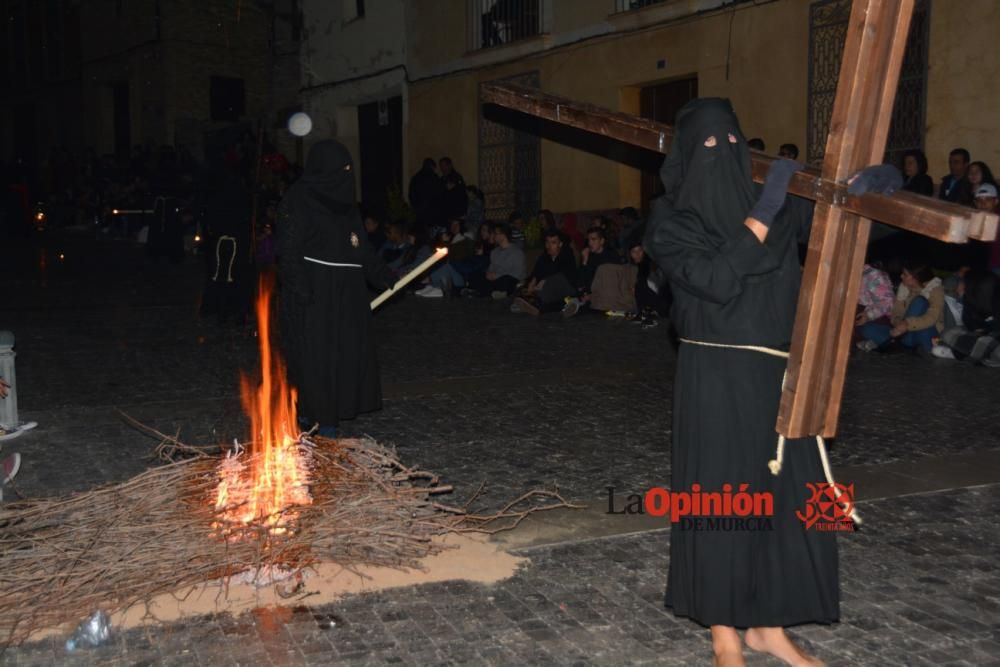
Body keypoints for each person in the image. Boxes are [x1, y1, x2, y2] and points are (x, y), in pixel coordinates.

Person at [644, 97, 900, 666]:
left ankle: (769, 627)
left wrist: (879, 187)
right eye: (709, 144)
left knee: (787, 503)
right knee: (723, 502)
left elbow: (849, 227)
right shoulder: (671, 220)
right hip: (714, 377)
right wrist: (763, 212)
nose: (724, 152)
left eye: (733, 142)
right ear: (688, 156)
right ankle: (723, 633)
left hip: (780, 375)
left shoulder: (782, 210)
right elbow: (712, 279)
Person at [276, 139, 395, 438]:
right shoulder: (298, 199)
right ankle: (315, 416)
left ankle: (337, 410)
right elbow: (288, 249)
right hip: (317, 293)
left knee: (345, 354)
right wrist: (301, 289)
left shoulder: (346, 205)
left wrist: (384, 274)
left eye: (348, 168)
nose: (346, 174)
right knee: (317, 357)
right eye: (339, 168)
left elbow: (361, 247)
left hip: (349, 295)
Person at [857, 262, 944, 353]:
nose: (901, 276)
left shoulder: (935, 289)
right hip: (903, 334)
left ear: (915, 277)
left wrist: (906, 324)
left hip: (926, 331)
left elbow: (932, 317)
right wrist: (898, 325)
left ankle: (895, 346)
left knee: (919, 302)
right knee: (867, 329)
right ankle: (900, 347)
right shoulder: (904, 287)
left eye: (905, 275)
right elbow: (896, 313)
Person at [511, 229, 577, 315]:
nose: (549, 246)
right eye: (547, 242)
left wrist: (544, 281)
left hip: (565, 289)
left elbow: (562, 274)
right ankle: (532, 304)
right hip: (544, 290)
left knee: (552, 283)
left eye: (553, 243)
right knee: (521, 285)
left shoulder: (567, 254)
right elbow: (536, 272)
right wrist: (532, 282)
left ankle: (534, 304)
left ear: (560, 244)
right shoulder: (544, 256)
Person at [468, 223, 525, 298]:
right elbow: (491, 268)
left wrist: (497, 276)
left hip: (506, 279)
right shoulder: (494, 252)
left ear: (503, 235)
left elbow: (517, 274)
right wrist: (489, 274)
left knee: (507, 281)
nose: (493, 236)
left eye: (495, 234)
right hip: (494, 280)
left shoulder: (517, 252)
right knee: (476, 276)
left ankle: (482, 292)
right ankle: (493, 293)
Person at [853, 262, 895, 344]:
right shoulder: (853, 272)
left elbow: (888, 302)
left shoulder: (874, 274)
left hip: (878, 319)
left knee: (867, 330)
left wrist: (868, 315)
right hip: (861, 313)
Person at [408, 158, 443, 232]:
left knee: (421, 231)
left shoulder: (416, 178)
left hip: (419, 211)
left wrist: (416, 206)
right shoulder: (434, 178)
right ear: (432, 167)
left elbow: (411, 195)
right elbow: (440, 195)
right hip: (432, 211)